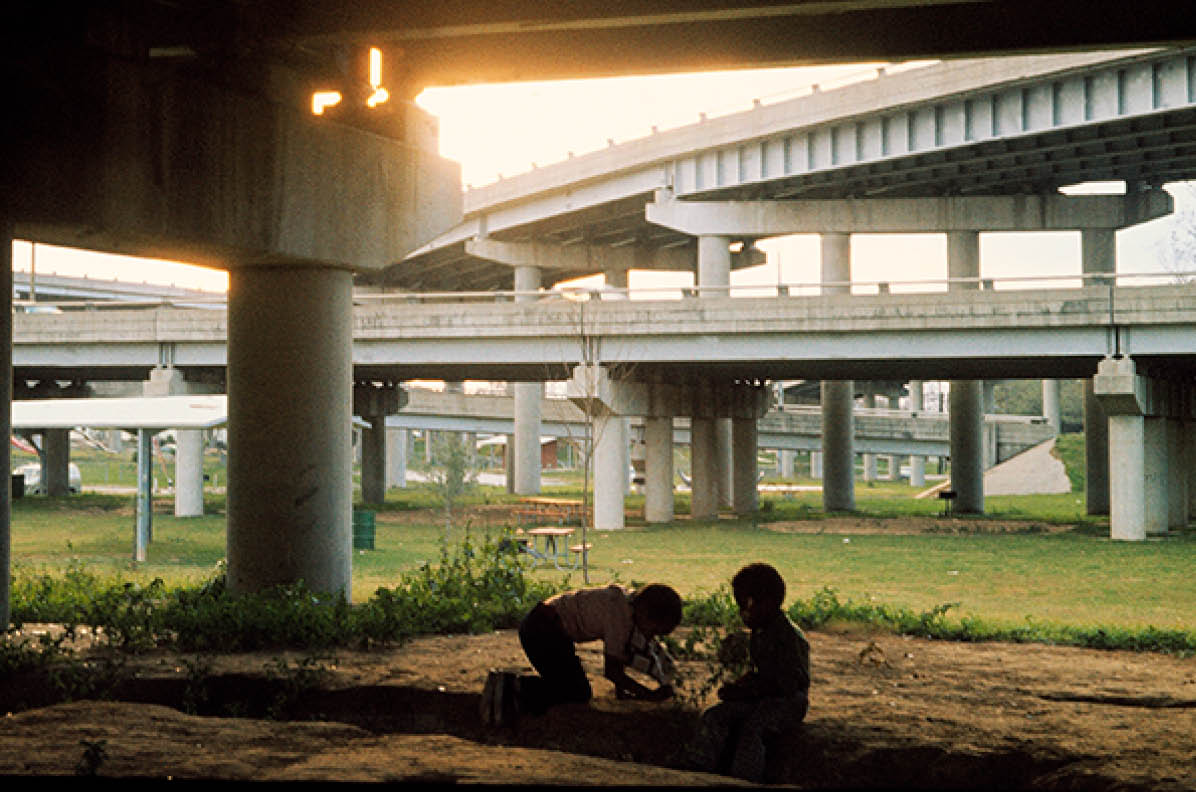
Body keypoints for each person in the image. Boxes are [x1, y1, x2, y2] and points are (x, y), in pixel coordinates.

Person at [480, 583, 682, 726]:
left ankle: (514, 690)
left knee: (570, 686)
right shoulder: (619, 618)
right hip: (542, 630)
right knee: (576, 693)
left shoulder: (625, 605)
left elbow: (617, 654)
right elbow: (612, 671)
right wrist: (649, 695)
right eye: (653, 630)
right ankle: (511, 687)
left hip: (547, 627)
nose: (651, 636)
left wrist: (625, 692)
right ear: (645, 614)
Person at [685, 562, 810, 783]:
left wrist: (747, 692)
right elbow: (760, 674)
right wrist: (740, 687)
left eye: (745, 605)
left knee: (753, 729)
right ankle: (700, 766)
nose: (742, 613)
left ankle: (744, 778)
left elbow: (788, 684)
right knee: (714, 716)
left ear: (765, 603)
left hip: (789, 701)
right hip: (765, 696)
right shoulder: (761, 631)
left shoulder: (787, 636)